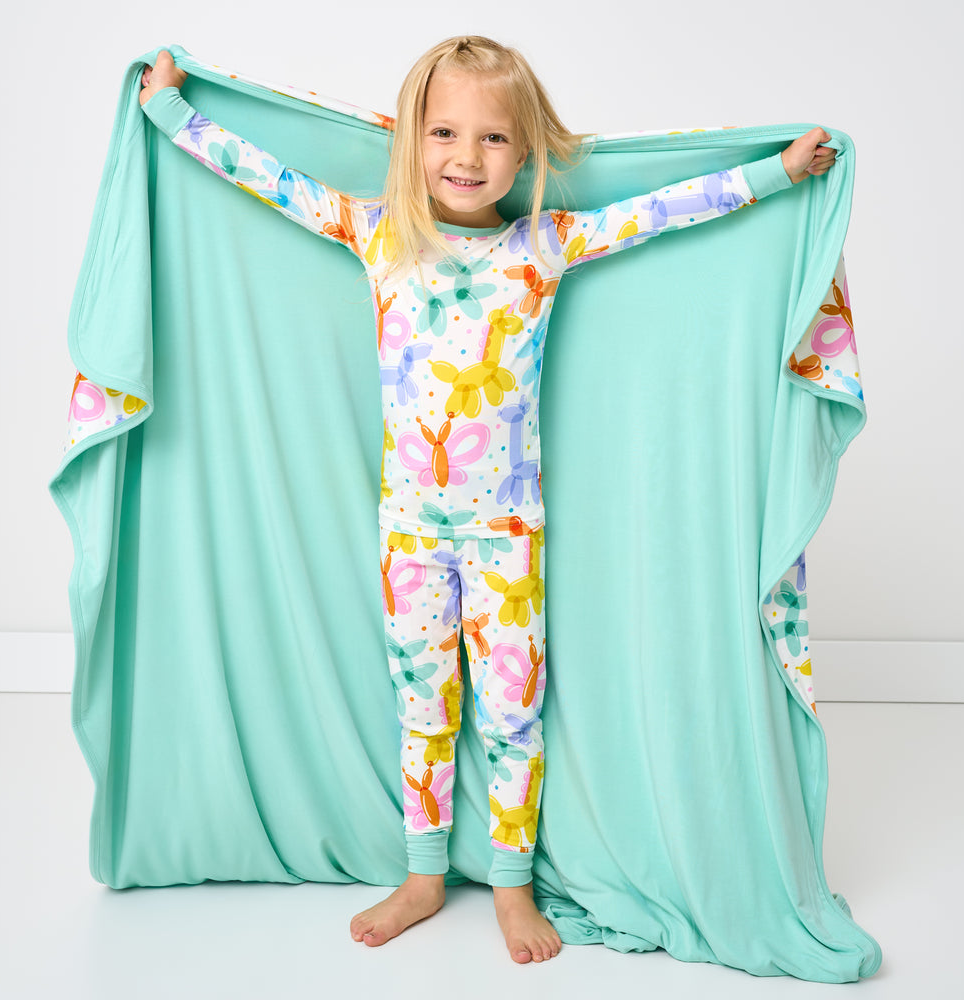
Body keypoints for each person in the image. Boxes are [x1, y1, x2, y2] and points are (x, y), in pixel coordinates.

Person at [139, 38, 835, 964]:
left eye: (493, 137)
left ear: (526, 151)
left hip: (506, 531)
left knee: (512, 709)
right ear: (412, 140)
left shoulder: (544, 246)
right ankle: (423, 875)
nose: (466, 157)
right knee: (423, 704)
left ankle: (512, 884)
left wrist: (777, 174)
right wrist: (170, 113)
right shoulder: (381, 235)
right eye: (444, 133)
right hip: (410, 531)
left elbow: (664, 210)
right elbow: (266, 177)